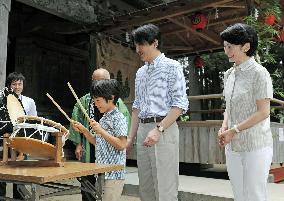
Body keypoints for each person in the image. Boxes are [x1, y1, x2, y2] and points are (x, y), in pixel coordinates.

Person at [126, 24, 188, 201]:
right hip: (143, 130)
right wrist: (131, 137)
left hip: (164, 129)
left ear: (154, 43)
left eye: (141, 45)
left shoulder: (172, 66)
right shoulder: (140, 72)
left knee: (165, 188)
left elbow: (179, 104)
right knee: (146, 187)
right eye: (136, 45)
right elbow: (137, 107)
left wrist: (159, 129)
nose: (138, 49)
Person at [218, 23, 273, 201]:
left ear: (246, 46)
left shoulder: (260, 73)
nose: (226, 51)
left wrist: (235, 130)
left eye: (230, 47)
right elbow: (229, 106)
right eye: (225, 46)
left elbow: (263, 112)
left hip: (255, 145)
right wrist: (224, 126)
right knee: (239, 195)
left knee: (255, 196)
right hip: (232, 146)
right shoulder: (229, 74)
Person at [68, 68, 130, 201]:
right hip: (101, 169)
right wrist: (84, 130)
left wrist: (101, 130)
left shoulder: (118, 116)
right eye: (94, 102)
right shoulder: (101, 113)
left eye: (98, 102)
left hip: (113, 172)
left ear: (111, 96)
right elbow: (98, 141)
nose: (96, 105)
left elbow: (121, 144)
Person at [0, 72, 37, 199]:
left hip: (21, 141)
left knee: (21, 174)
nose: (17, 87)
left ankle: (19, 197)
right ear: (9, 86)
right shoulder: (1, 99)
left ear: (23, 85)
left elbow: (33, 121)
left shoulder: (29, 101)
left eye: (19, 84)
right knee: (2, 173)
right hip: (3, 141)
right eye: (14, 84)